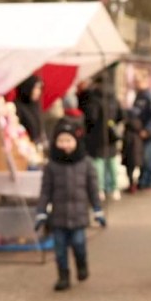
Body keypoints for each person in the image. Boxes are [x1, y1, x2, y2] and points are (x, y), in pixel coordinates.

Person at [34, 118, 106, 291]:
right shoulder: (51, 166)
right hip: (58, 218)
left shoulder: (86, 163)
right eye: (61, 140)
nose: (65, 144)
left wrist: (98, 210)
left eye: (68, 140)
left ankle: (82, 265)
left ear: (76, 141)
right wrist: (41, 213)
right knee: (59, 250)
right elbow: (45, 192)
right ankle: (63, 277)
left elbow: (93, 190)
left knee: (79, 245)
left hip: (79, 216)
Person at [78, 75, 124, 201]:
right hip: (111, 135)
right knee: (112, 163)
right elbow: (121, 115)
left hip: (96, 136)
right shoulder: (114, 97)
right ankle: (114, 188)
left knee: (99, 165)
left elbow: (91, 117)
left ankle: (100, 190)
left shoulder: (93, 97)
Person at [130, 70, 151, 190]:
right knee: (142, 157)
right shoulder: (139, 95)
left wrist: (148, 131)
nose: (135, 83)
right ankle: (143, 180)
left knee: (148, 157)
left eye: (138, 81)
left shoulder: (149, 96)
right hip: (140, 132)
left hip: (148, 133)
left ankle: (148, 181)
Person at [13, 75, 46, 148]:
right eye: (36, 88)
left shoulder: (35, 105)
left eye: (39, 88)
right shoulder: (17, 106)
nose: (38, 92)